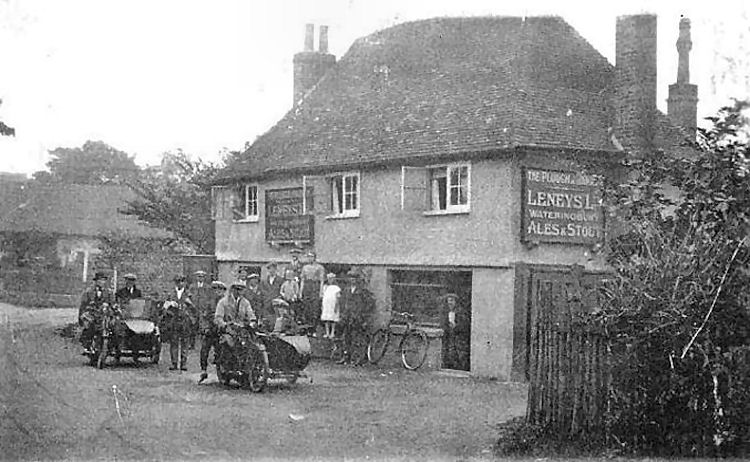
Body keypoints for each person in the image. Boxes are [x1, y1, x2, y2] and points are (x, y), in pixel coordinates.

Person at [339, 268, 375, 365]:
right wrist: (343, 315)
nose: (352, 280)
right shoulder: (346, 290)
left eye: (354, 278)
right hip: (348, 317)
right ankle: (346, 356)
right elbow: (343, 303)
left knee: (358, 339)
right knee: (346, 338)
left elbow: (369, 304)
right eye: (351, 278)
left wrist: (365, 317)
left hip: (358, 318)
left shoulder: (363, 291)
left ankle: (358, 358)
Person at [162, 275, 197, 371]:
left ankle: (183, 363)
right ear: (175, 283)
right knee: (174, 342)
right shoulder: (171, 295)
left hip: (185, 321)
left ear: (184, 283)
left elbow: (194, 309)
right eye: (178, 282)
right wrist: (170, 305)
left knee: (185, 342)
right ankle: (174, 363)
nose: (180, 283)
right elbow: (164, 308)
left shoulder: (189, 294)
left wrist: (189, 304)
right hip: (174, 320)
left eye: (182, 281)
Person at [79, 271, 114, 351]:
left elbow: (112, 304)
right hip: (92, 314)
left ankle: (111, 345)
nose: (102, 282)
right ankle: (88, 343)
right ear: (96, 281)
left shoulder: (109, 292)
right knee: (89, 325)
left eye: (104, 280)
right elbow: (83, 305)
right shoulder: (88, 291)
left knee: (113, 326)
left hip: (104, 315)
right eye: (100, 280)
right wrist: (82, 317)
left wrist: (111, 309)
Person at [191, 271, 215, 382]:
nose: (217, 292)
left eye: (220, 290)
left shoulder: (225, 301)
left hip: (220, 328)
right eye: (215, 289)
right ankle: (203, 370)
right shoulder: (193, 287)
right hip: (207, 324)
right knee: (205, 347)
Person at [441, 293, 471, 371]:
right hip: (449, 339)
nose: (449, 303)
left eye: (452, 300)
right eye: (448, 301)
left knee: (461, 356)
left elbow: (465, 325)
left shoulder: (461, 313)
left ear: (456, 302)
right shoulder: (446, 313)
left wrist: (456, 327)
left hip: (460, 339)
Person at [300, 251, 326, 327]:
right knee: (306, 306)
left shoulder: (319, 267)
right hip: (307, 286)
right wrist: (300, 292)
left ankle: (314, 326)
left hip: (315, 286)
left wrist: (321, 292)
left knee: (315, 306)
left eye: (311, 256)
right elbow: (302, 280)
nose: (309, 258)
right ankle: (307, 324)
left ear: (314, 257)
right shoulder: (305, 267)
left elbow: (322, 280)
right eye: (308, 257)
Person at [261, 262, 283, 331]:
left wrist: (277, 298)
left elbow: (281, 291)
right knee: (267, 319)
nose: (271, 271)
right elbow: (262, 291)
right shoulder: (264, 281)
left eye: (273, 269)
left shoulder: (280, 280)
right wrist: (266, 298)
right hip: (267, 302)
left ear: (276, 269)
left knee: (277, 318)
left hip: (276, 303)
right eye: (269, 269)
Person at [320, 272, 341, 339]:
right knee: (326, 319)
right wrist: (322, 305)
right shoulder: (325, 287)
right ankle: (327, 332)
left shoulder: (336, 288)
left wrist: (336, 305)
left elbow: (337, 297)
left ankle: (332, 332)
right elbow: (323, 296)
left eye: (331, 279)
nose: (330, 280)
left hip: (333, 304)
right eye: (329, 279)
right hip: (326, 304)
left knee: (333, 319)